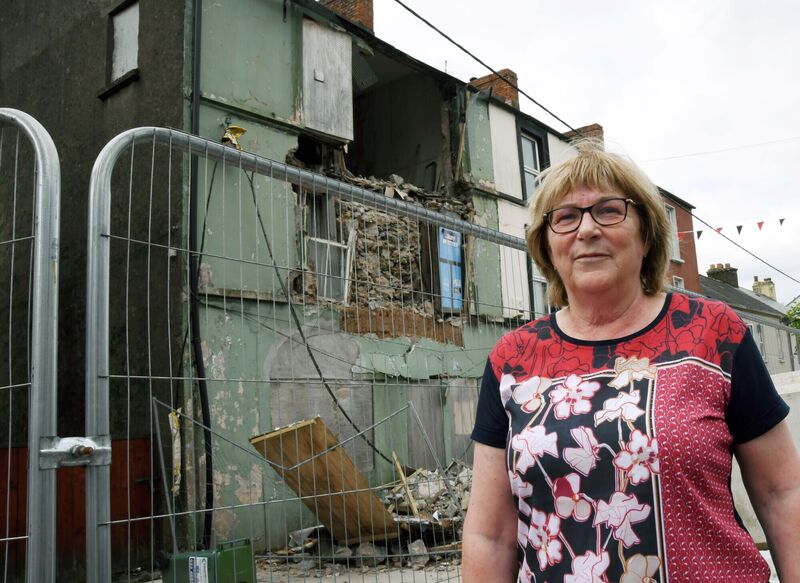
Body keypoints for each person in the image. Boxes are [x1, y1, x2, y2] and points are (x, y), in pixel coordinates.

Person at [463, 141, 800, 582]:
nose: (586, 229)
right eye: (565, 217)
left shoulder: (714, 331)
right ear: (546, 245)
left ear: (647, 235)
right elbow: (490, 535)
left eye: (608, 210)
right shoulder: (512, 359)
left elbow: (782, 493)